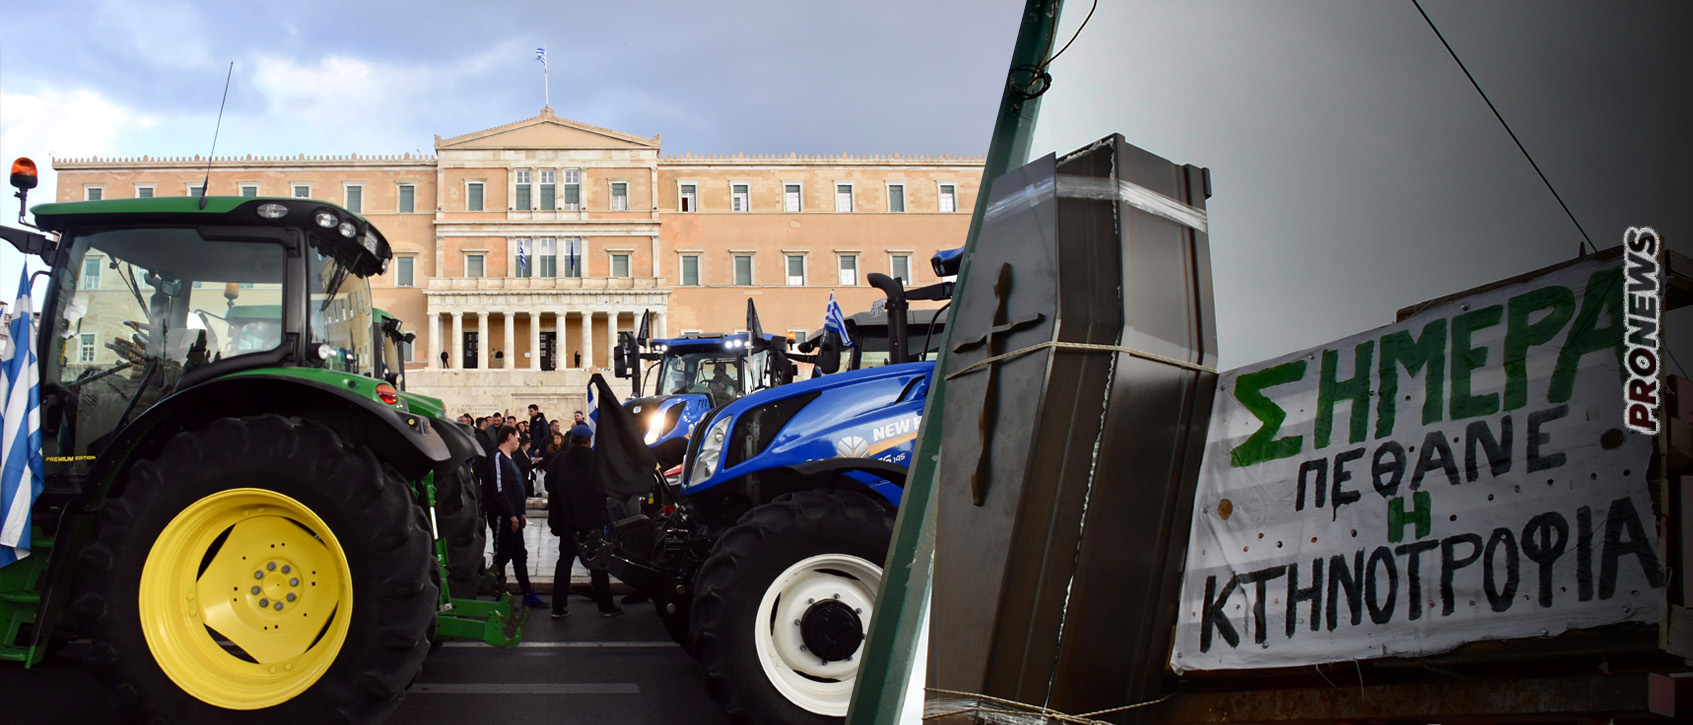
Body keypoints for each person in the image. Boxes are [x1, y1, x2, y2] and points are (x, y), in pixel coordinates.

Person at [547, 425, 621, 618]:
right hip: (592, 521)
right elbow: (606, 489)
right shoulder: (597, 461)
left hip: (568, 521)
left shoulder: (559, 460)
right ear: (588, 440)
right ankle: (606, 606)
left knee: (564, 562)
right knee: (597, 563)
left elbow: (550, 486)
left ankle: (558, 606)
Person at [488, 425, 547, 608]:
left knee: (520, 555)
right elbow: (499, 490)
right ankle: (498, 595)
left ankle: (528, 593)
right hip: (503, 517)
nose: (519, 441)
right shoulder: (497, 458)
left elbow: (515, 488)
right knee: (501, 557)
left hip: (514, 517)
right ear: (509, 437)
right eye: (517, 437)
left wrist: (520, 513)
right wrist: (511, 514)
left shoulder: (509, 458)